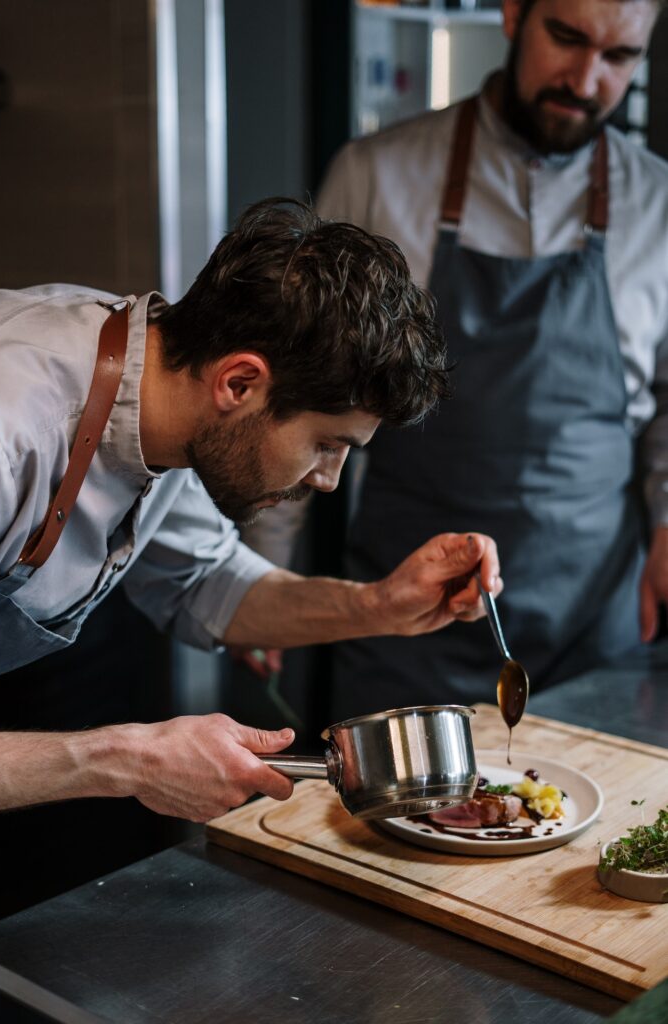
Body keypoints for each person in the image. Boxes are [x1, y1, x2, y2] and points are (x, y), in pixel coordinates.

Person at [0, 198, 502, 824]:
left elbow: (206, 583)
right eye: (327, 444)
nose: (329, 479)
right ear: (238, 383)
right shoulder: (4, 438)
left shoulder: (164, 387)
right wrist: (124, 760)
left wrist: (380, 606)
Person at [246, 0, 668, 720]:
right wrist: (261, 579)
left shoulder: (658, 202)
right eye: (564, 37)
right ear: (512, 14)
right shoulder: (376, 175)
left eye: (618, 57)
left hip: (590, 616)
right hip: (403, 612)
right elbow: (300, 388)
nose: (584, 77)